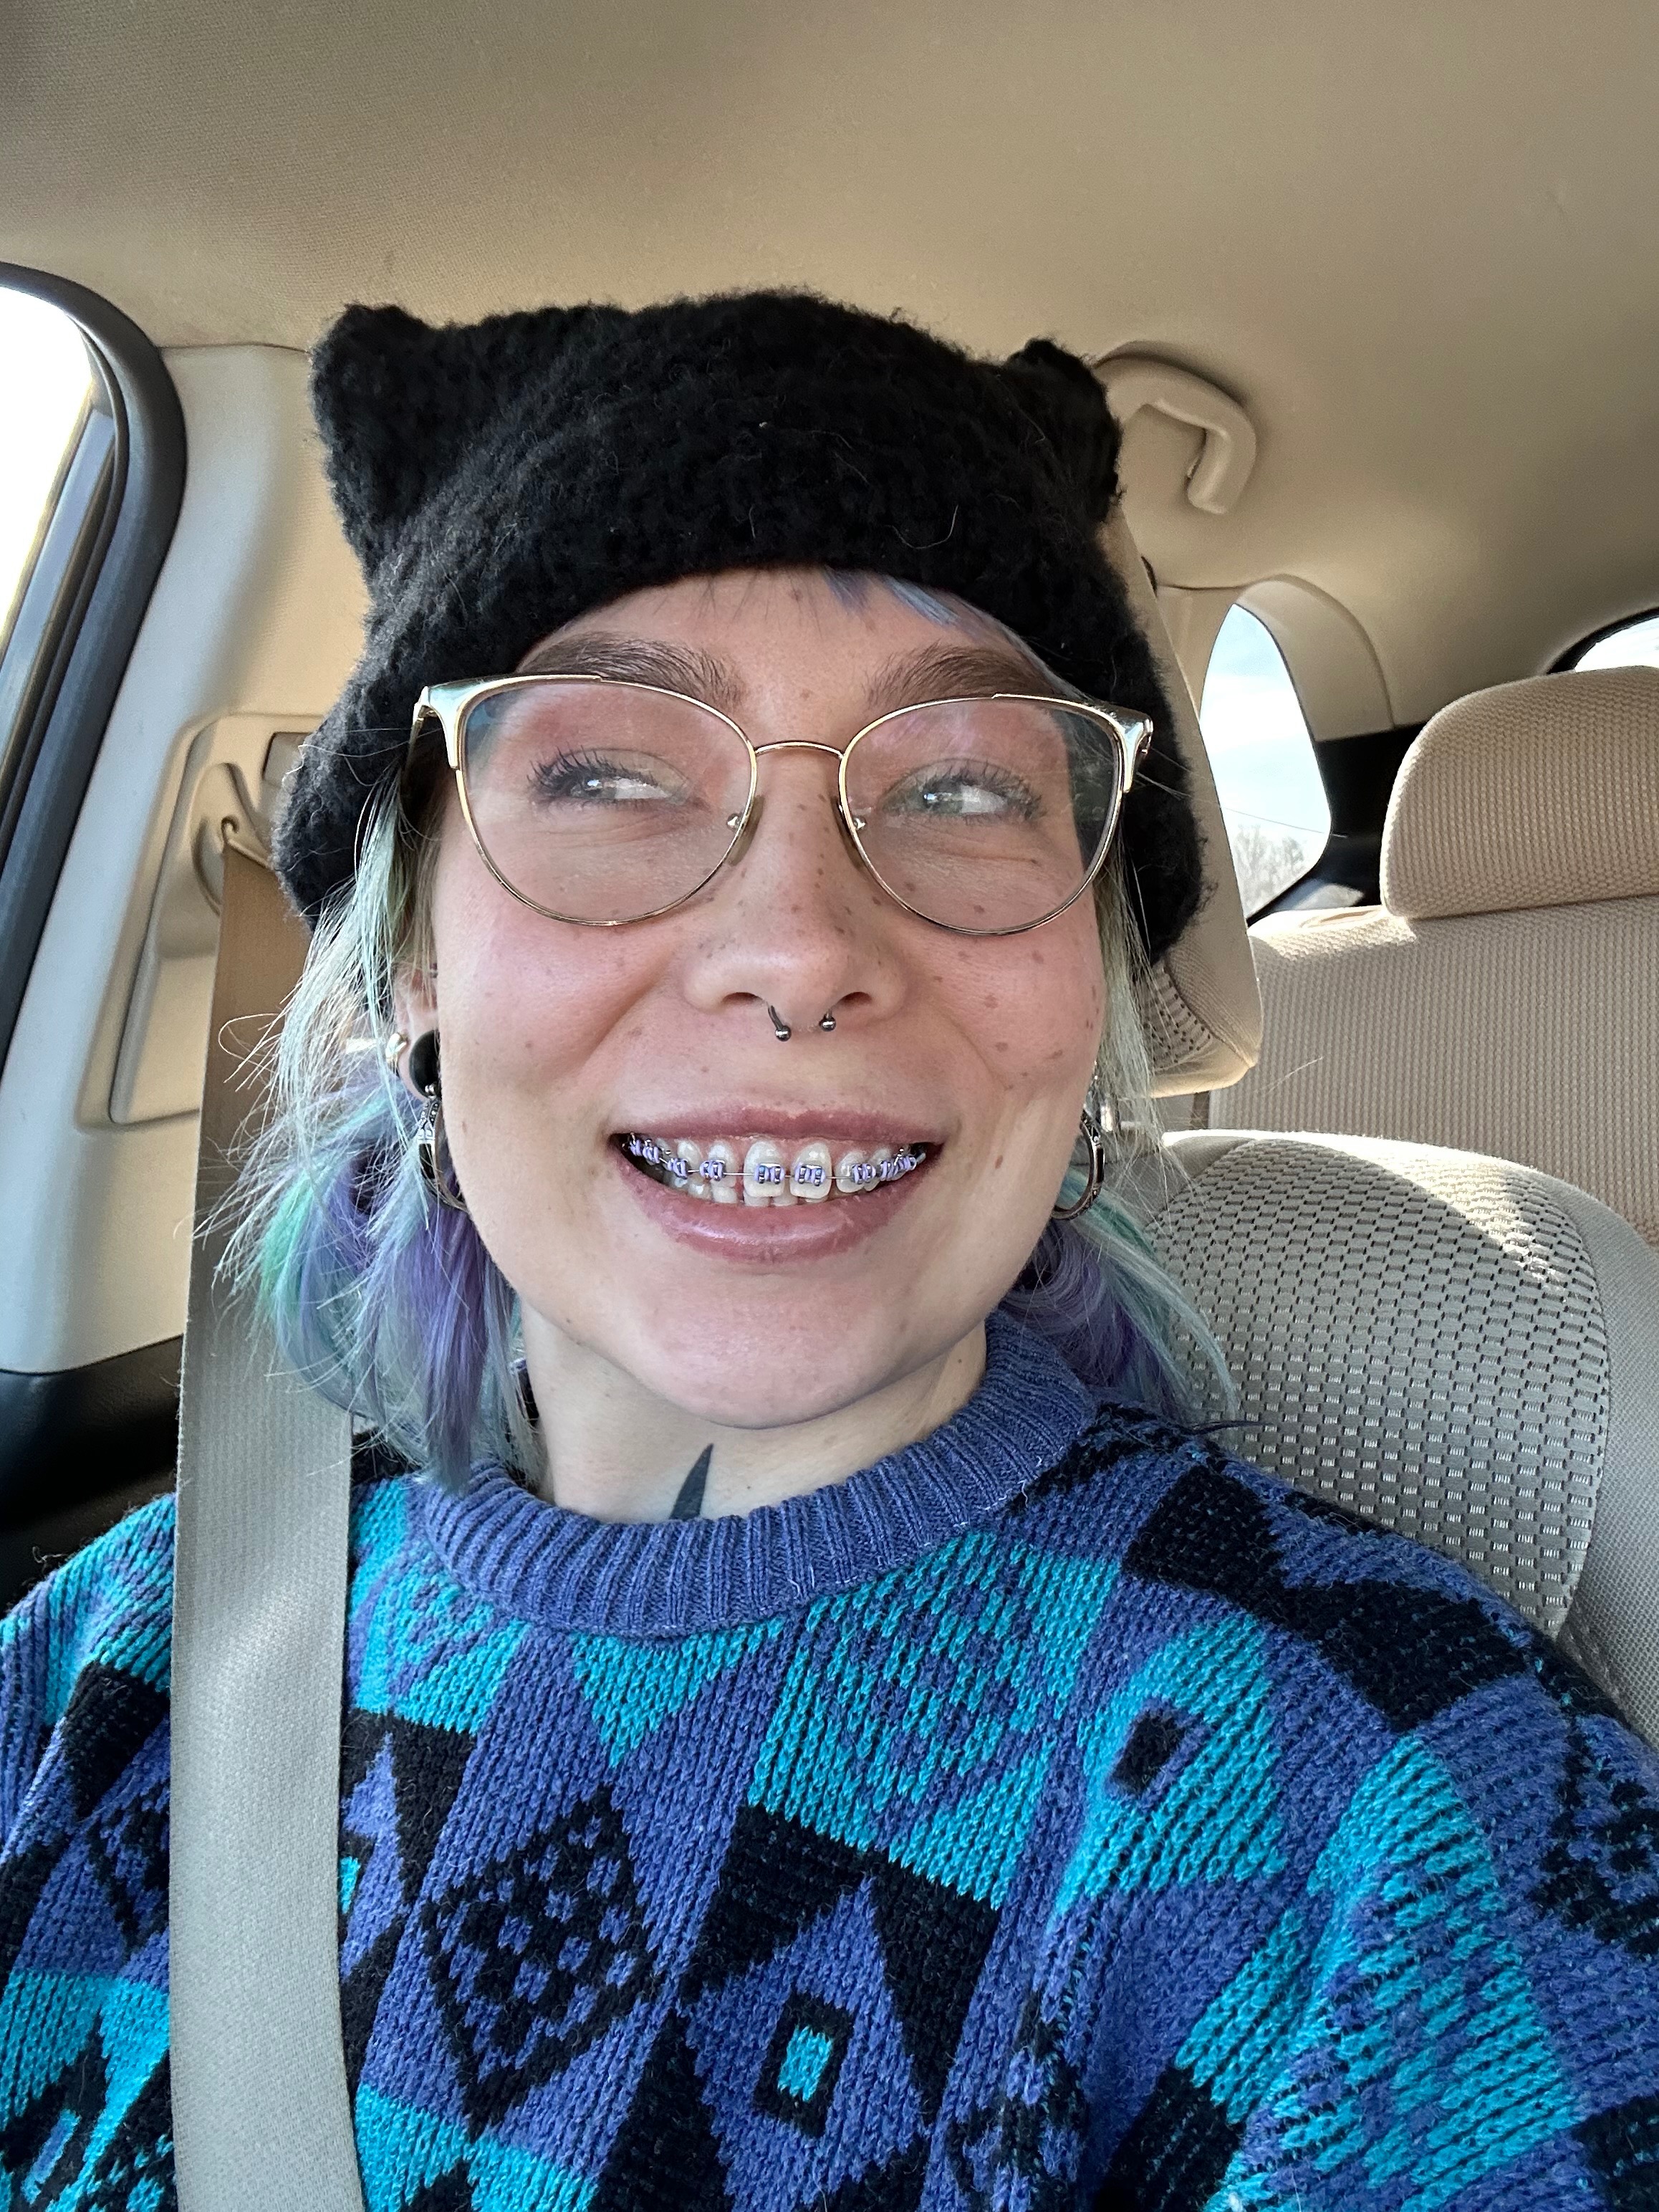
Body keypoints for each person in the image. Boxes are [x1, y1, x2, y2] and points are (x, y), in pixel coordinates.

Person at [1, 292, 1655, 2211]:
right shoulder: (111, 1662)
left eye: (961, 787)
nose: (797, 947)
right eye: (606, 775)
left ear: (1093, 991)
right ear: (412, 963)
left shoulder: (1406, 1824)